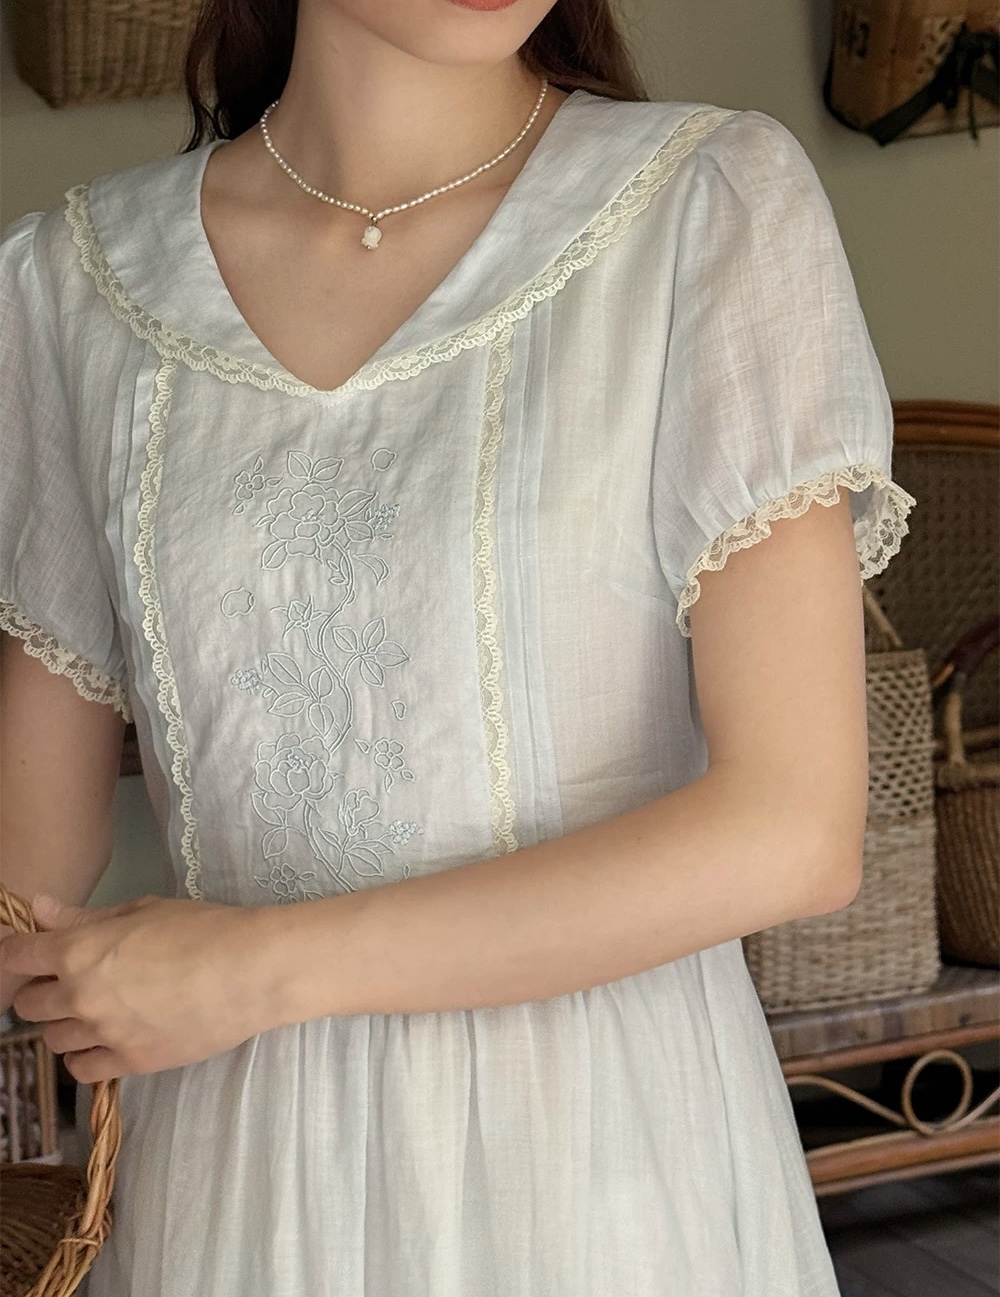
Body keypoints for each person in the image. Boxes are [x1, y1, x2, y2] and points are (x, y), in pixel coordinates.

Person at [0, 1, 917, 1293]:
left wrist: (261, 968)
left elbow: (793, 829)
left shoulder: (705, 203)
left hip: (600, 1170)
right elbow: (28, 866)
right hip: (235, 1184)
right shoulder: (75, 285)